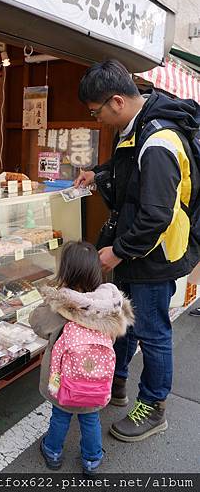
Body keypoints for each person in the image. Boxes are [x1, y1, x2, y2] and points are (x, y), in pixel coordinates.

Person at [75, 59, 200, 442]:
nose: (98, 119)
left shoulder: (159, 141)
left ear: (115, 101)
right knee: (122, 317)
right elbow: (125, 166)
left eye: (97, 112)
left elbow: (156, 217)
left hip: (154, 252)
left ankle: (153, 407)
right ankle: (117, 381)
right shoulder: (136, 125)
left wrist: (118, 252)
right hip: (134, 249)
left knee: (152, 330)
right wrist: (98, 173)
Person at [30, 241, 133, 474]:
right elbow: (113, 338)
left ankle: (53, 451)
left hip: (61, 380)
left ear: (65, 271)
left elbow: (37, 324)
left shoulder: (61, 305)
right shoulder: (110, 305)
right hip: (95, 381)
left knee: (60, 416)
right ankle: (92, 459)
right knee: (90, 420)